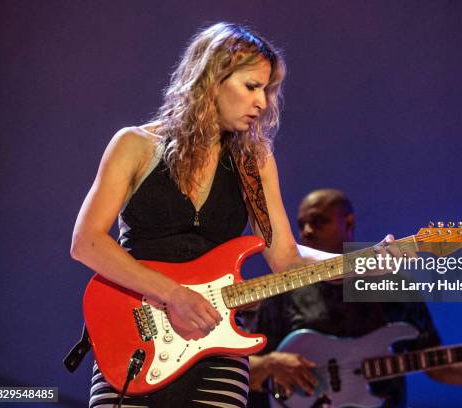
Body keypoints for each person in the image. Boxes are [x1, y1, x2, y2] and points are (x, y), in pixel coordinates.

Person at [70, 23, 354, 408]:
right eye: (252, 87)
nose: (263, 103)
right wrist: (173, 295)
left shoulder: (255, 163)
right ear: (212, 78)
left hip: (216, 348)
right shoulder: (135, 144)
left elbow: (285, 257)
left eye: (267, 91)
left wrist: (359, 264)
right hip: (132, 339)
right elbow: (87, 242)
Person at [247, 189, 462, 408]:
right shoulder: (285, 289)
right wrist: (271, 364)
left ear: (349, 222)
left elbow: (437, 365)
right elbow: (245, 367)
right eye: (302, 224)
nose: (307, 231)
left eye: (319, 221)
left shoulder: (394, 287)